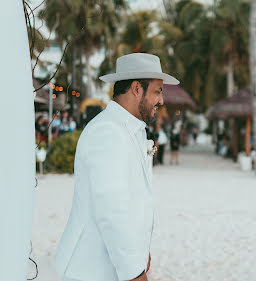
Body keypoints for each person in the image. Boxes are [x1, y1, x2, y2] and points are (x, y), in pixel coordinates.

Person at [54, 53, 179, 281]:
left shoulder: (129, 129)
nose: (161, 100)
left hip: (112, 263)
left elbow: (134, 199)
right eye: (158, 91)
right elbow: (113, 210)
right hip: (91, 267)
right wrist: (134, 271)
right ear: (136, 89)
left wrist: (140, 251)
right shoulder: (107, 132)